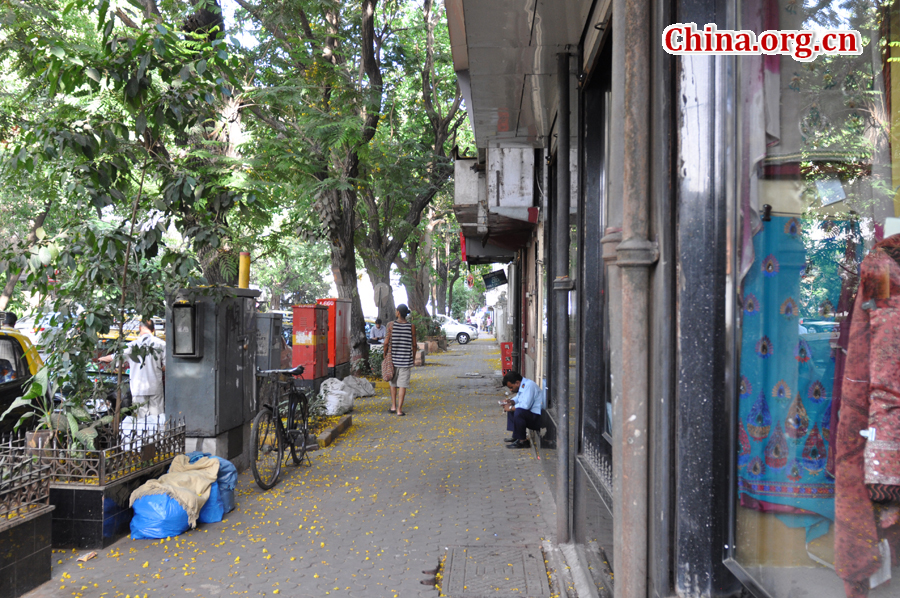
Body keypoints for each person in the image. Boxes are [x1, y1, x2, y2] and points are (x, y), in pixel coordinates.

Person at [99, 319, 166, 418]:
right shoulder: (161, 344)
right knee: (158, 418)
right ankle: (158, 433)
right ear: (153, 329)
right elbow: (167, 367)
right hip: (155, 386)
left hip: (138, 388)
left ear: (139, 328)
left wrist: (101, 358)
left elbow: (114, 357)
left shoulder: (132, 346)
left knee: (141, 420)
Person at [384, 304, 415, 416]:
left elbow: (386, 342)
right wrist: (413, 356)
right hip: (406, 360)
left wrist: (385, 354)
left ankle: (393, 406)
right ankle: (399, 410)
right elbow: (414, 344)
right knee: (402, 385)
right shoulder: (411, 326)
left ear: (398, 313)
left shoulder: (391, 325)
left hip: (393, 359)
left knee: (393, 383)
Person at [501, 370, 542, 449]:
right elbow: (519, 398)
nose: (510, 390)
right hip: (532, 415)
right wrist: (511, 402)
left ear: (517, 383)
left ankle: (523, 441)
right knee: (513, 406)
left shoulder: (529, 386)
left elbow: (525, 405)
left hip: (538, 418)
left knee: (518, 411)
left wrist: (510, 408)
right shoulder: (524, 385)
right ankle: (517, 436)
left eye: (511, 387)